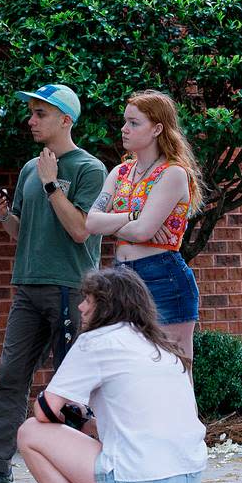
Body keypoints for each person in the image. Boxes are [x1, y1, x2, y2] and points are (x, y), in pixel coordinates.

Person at [0, 83, 105, 483]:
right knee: (9, 378)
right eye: (32, 113)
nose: (31, 120)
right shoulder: (28, 169)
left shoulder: (89, 169)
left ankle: (69, 470)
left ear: (65, 120)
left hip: (69, 289)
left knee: (69, 386)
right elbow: (22, 234)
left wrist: (53, 184)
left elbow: (78, 231)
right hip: (28, 288)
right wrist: (4, 215)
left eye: (40, 114)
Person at [17, 267, 206, 483]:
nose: (80, 306)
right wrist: (82, 422)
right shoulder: (162, 345)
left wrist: (64, 415)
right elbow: (132, 420)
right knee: (132, 448)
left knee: (29, 432)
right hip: (188, 477)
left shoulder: (97, 341)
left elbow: (44, 411)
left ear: (107, 305)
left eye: (88, 300)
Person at [83, 90, 201, 359]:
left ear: (157, 128)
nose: (124, 129)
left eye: (134, 123)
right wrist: (134, 216)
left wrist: (116, 220)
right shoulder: (120, 172)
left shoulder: (173, 173)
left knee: (175, 367)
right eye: (125, 122)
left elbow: (143, 232)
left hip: (162, 275)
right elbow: (91, 221)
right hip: (121, 276)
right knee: (126, 363)